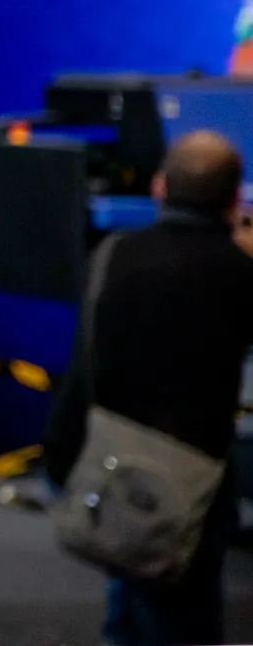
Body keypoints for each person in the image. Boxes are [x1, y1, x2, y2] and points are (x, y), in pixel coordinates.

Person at [46, 129, 253, 646]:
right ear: (234, 198)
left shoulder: (112, 253)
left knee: (127, 613)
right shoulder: (239, 274)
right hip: (190, 493)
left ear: (160, 186)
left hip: (107, 468)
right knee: (182, 625)